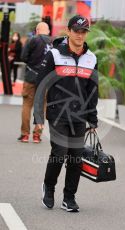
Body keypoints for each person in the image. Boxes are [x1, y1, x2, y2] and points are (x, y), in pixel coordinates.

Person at [34, 15, 98, 212]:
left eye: (83, 32)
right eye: (76, 31)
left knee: (76, 157)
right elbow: (40, 86)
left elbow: (93, 90)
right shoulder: (54, 55)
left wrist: (92, 118)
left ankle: (69, 197)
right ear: (69, 31)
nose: (80, 35)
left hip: (79, 116)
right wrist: (38, 118)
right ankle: (49, 188)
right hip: (57, 113)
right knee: (59, 153)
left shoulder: (92, 58)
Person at [18, 22, 52, 143]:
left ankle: (25, 135)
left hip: (31, 77)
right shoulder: (53, 43)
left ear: (37, 31)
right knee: (41, 107)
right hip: (45, 79)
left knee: (27, 105)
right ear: (47, 31)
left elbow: (23, 57)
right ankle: (37, 135)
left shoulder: (32, 40)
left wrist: (32, 64)